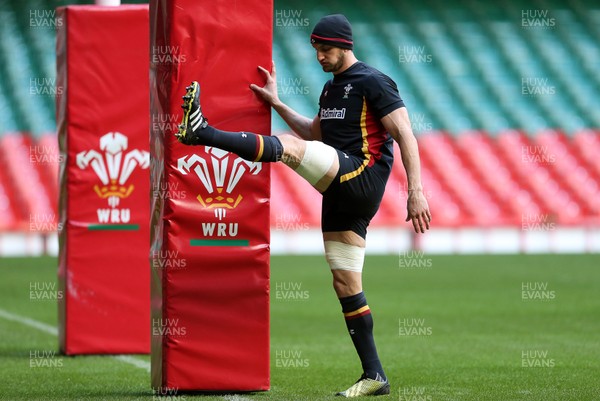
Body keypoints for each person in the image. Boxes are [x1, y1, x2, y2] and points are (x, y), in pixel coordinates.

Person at [176, 13, 431, 398]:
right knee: (346, 283)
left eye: (325, 50)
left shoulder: (374, 81)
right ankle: (375, 375)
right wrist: (277, 103)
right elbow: (314, 133)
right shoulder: (331, 91)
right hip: (341, 190)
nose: (320, 57)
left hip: (360, 176)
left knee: (289, 151)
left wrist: (415, 190)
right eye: (316, 50)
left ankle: (203, 132)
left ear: (345, 45)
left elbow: (405, 133)